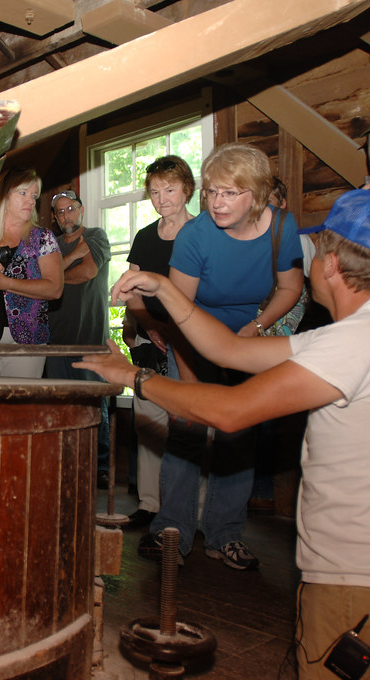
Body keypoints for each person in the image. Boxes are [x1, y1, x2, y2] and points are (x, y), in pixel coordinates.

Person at [77, 189, 370, 679]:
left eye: (312, 253)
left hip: (366, 595)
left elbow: (232, 411)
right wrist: (165, 289)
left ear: (332, 264)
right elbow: (231, 351)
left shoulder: (363, 340)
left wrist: (133, 378)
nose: (304, 263)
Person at [139, 142, 304, 570]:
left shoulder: (282, 227)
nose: (217, 202)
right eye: (212, 192)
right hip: (192, 333)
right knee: (188, 426)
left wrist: (259, 328)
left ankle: (225, 534)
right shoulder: (196, 235)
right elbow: (179, 310)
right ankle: (171, 531)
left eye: (230, 193)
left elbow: (290, 288)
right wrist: (189, 375)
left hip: (250, 332)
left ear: (257, 193)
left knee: (239, 431)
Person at [123, 156, 196, 527]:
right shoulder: (145, 237)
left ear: (186, 188)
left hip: (193, 342)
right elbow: (131, 288)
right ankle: (150, 504)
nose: (162, 198)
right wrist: (149, 325)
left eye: (169, 189)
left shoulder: (204, 233)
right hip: (151, 339)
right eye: (154, 191)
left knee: (190, 423)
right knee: (148, 421)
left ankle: (190, 511)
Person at [0, 167, 63, 378]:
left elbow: (55, 289)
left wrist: (5, 282)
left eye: (34, 196)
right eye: (23, 193)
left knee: (21, 408)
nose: (31, 201)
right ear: (3, 195)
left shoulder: (42, 238)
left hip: (28, 338)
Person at [45, 188, 112, 488]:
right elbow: (39, 280)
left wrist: (55, 278)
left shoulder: (96, 237)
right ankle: (69, 463)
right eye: (60, 212)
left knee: (94, 403)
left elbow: (88, 272)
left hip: (90, 336)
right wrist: (70, 258)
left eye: (70, 209)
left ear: (81, 210)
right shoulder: (51, 244)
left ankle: (100, 466)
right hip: (56, 339)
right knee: (62, 405)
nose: (65, 215)